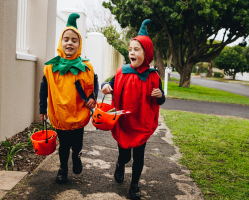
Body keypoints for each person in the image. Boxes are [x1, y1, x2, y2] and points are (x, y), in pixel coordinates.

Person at [101, 19, 165, 200]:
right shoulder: (122, 72)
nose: (132, 52)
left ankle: (135, 184)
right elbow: (109, 83)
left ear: (147, 53)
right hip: (124, 122)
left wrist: (160, 95)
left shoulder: (153, 76)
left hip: (142, 123)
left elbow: (161, 100)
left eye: (136, 49)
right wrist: (106, 86)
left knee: (138, 157)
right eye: (130, 49)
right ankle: (120, 165)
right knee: (125, 156)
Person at [39, 13, 99, 184]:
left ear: (79, 44)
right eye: (66, 39)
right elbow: (44, 89)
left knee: (77, 144)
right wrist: (42, 109)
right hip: (60, 114)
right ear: (60, 42)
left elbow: (93, 83)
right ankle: (63, 168)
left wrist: (92, 97)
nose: (69, 43)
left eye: (74, 40)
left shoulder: (85, 67)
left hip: (78, 112)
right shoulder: (51, 67)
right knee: (64, 145)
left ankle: (77, 156)